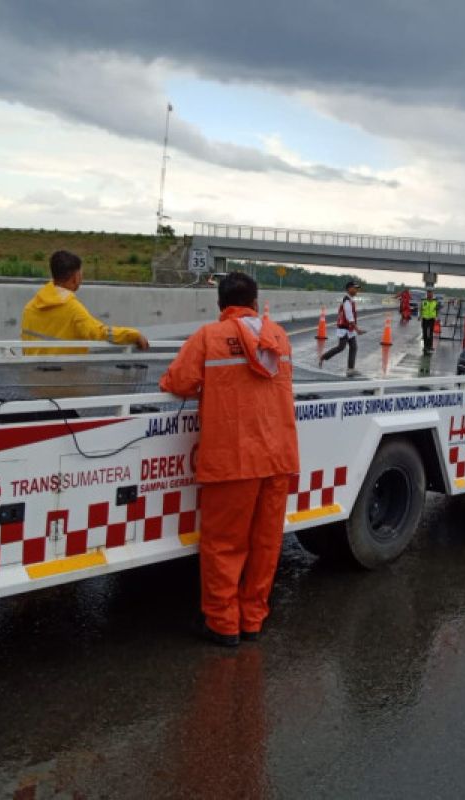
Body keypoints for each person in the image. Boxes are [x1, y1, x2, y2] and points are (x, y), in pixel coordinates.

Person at [159, 272, 299, 647]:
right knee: (265, 544)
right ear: (255, 301)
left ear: (221, 305)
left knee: (224, 544)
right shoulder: (280, 338)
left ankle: (223, 624)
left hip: (233, 459)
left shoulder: (210, 336)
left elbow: (178, 382)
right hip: (278, 458)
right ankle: (252, 619)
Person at [21, 250, 149, 354]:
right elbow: (99, 332)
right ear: (75, 278)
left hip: (33, 380)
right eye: (81, 274)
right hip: (64, 380)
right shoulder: (72, 309)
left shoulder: (30, 306)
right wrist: (133, 335)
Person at [319, 280, 366, 375]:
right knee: (341, 347)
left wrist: (355, 329)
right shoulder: (347, 301)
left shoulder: (350, 300)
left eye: (357, 289)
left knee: (353, 347)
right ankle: (323, 357)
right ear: (349, 289)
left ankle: (350, 369)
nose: (357, 291)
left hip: (349, 328)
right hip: (344, 328)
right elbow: (349, 317)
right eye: (355, 288)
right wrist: (357, 330)